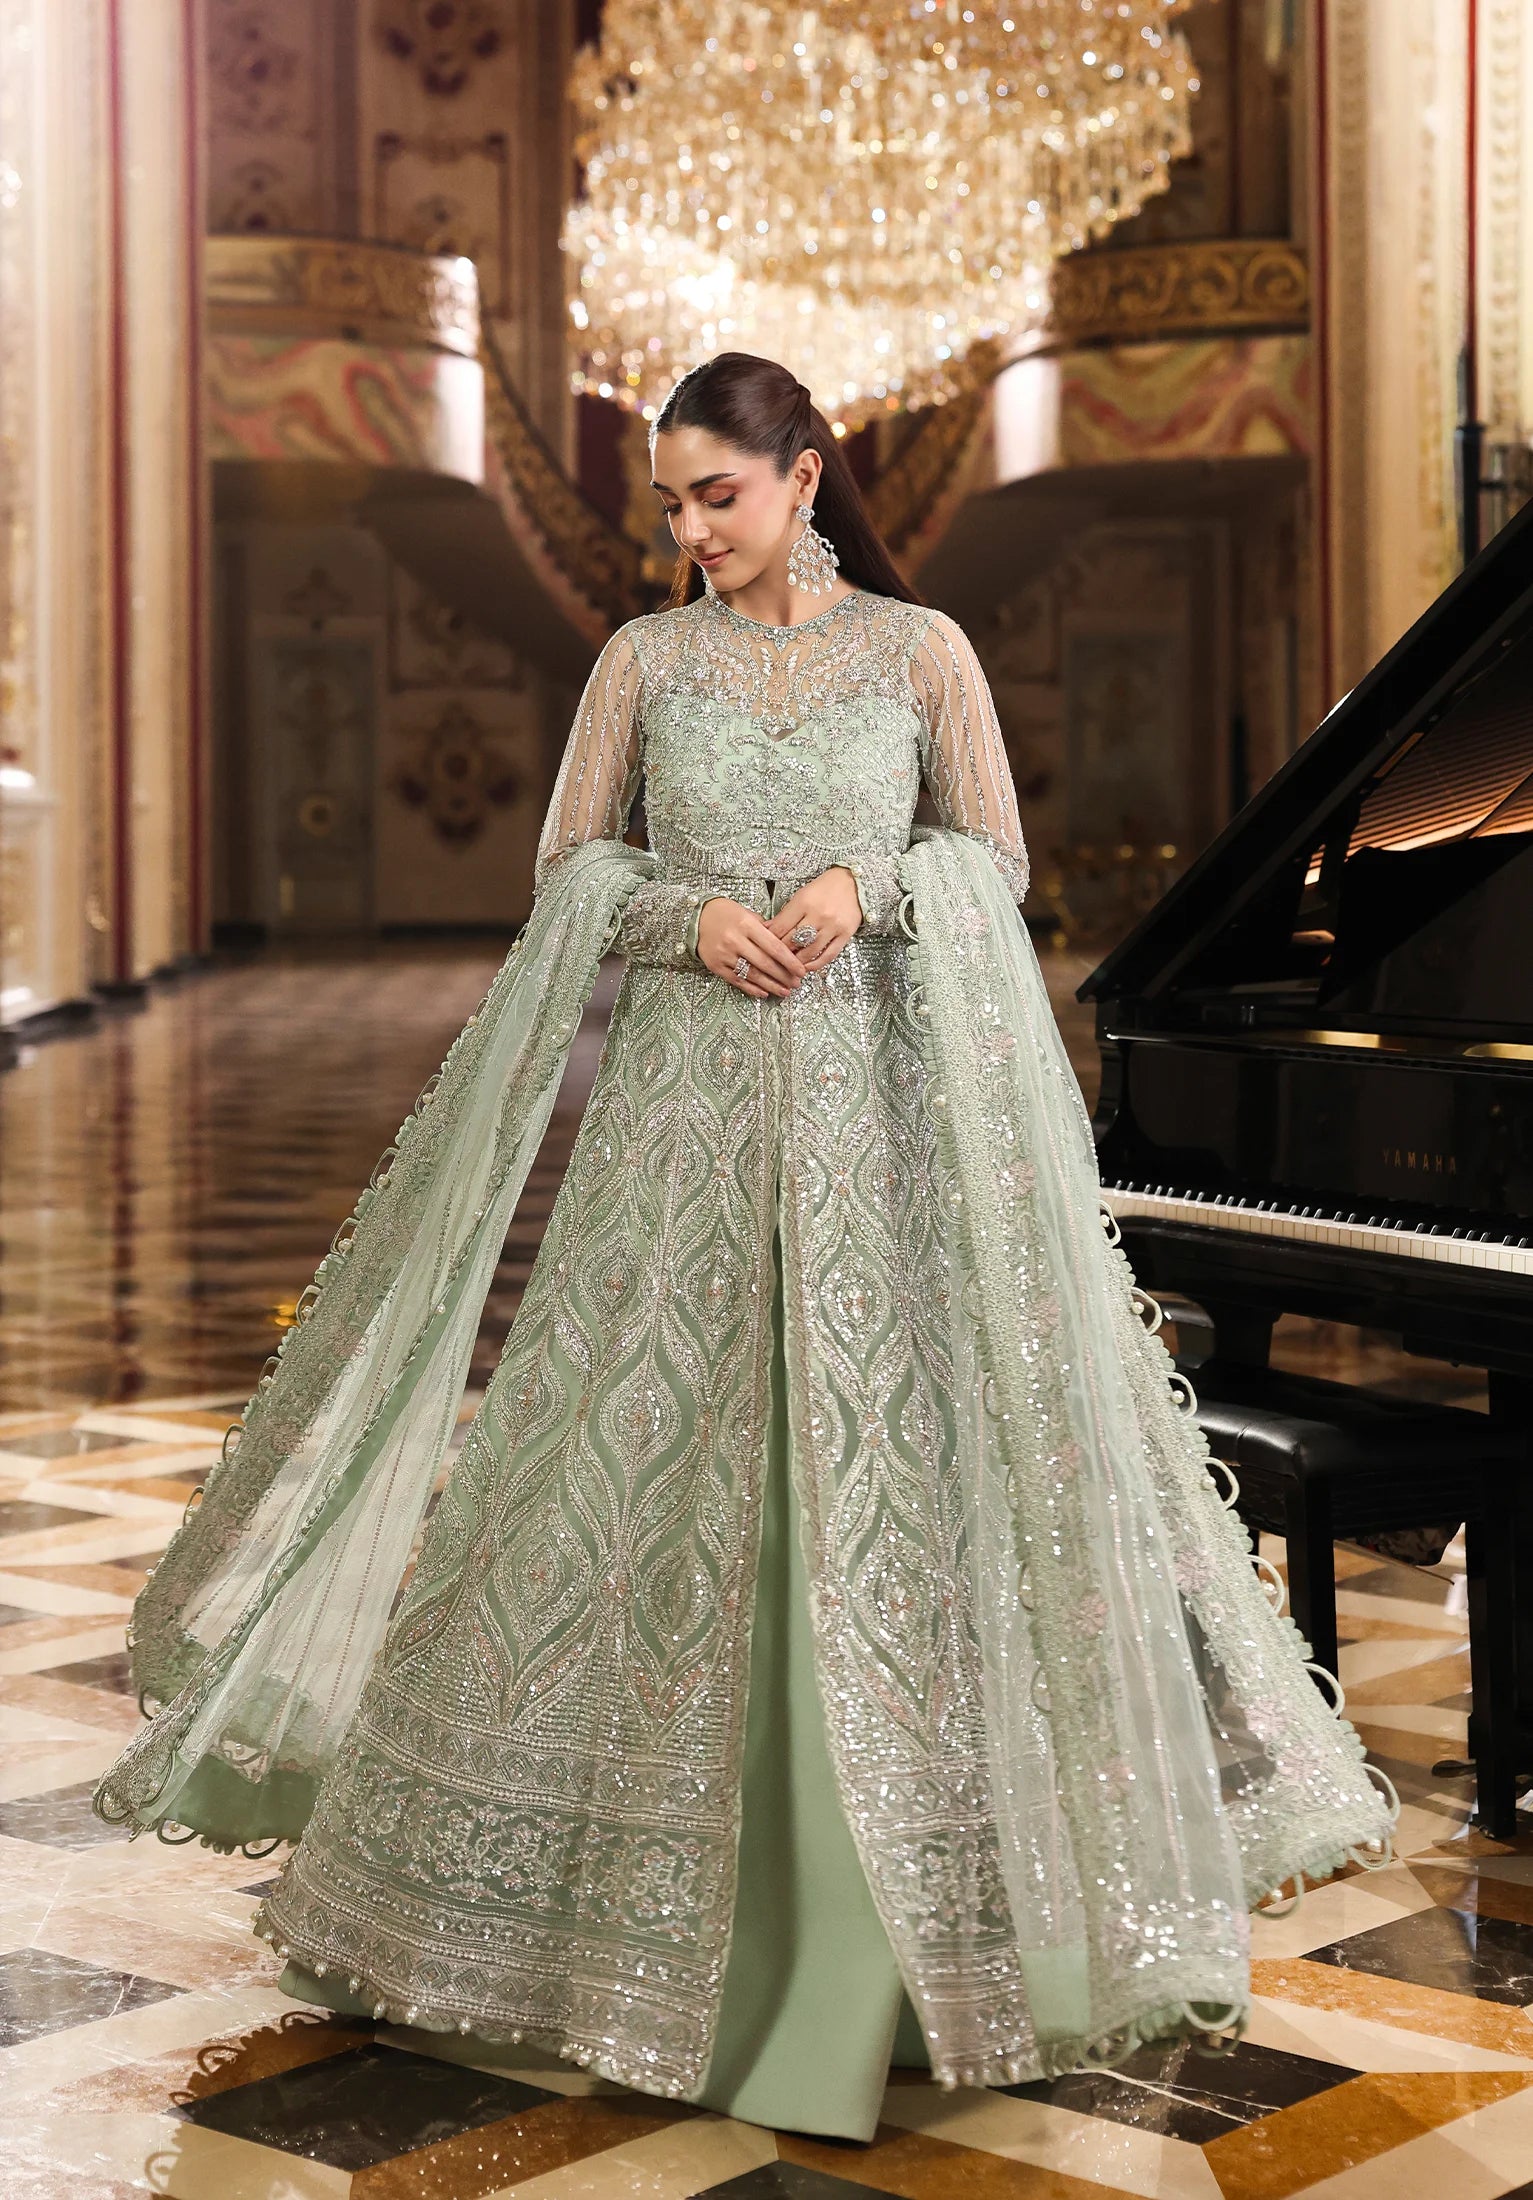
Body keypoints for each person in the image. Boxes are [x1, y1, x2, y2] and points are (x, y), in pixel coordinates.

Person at [94, 351, 1395, 2144]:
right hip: (682, 1131)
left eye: (718, 493)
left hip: (884, 1125)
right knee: (655, 1468)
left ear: (803, 475)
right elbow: (570, 868)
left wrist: (872, 885)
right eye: (672, 503)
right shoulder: (640, 664)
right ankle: (609, 1935)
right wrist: (687, 914)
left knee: (895, 1476)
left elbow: (994, 857)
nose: (692, 531)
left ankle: (922, 1929)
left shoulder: (920, 652)